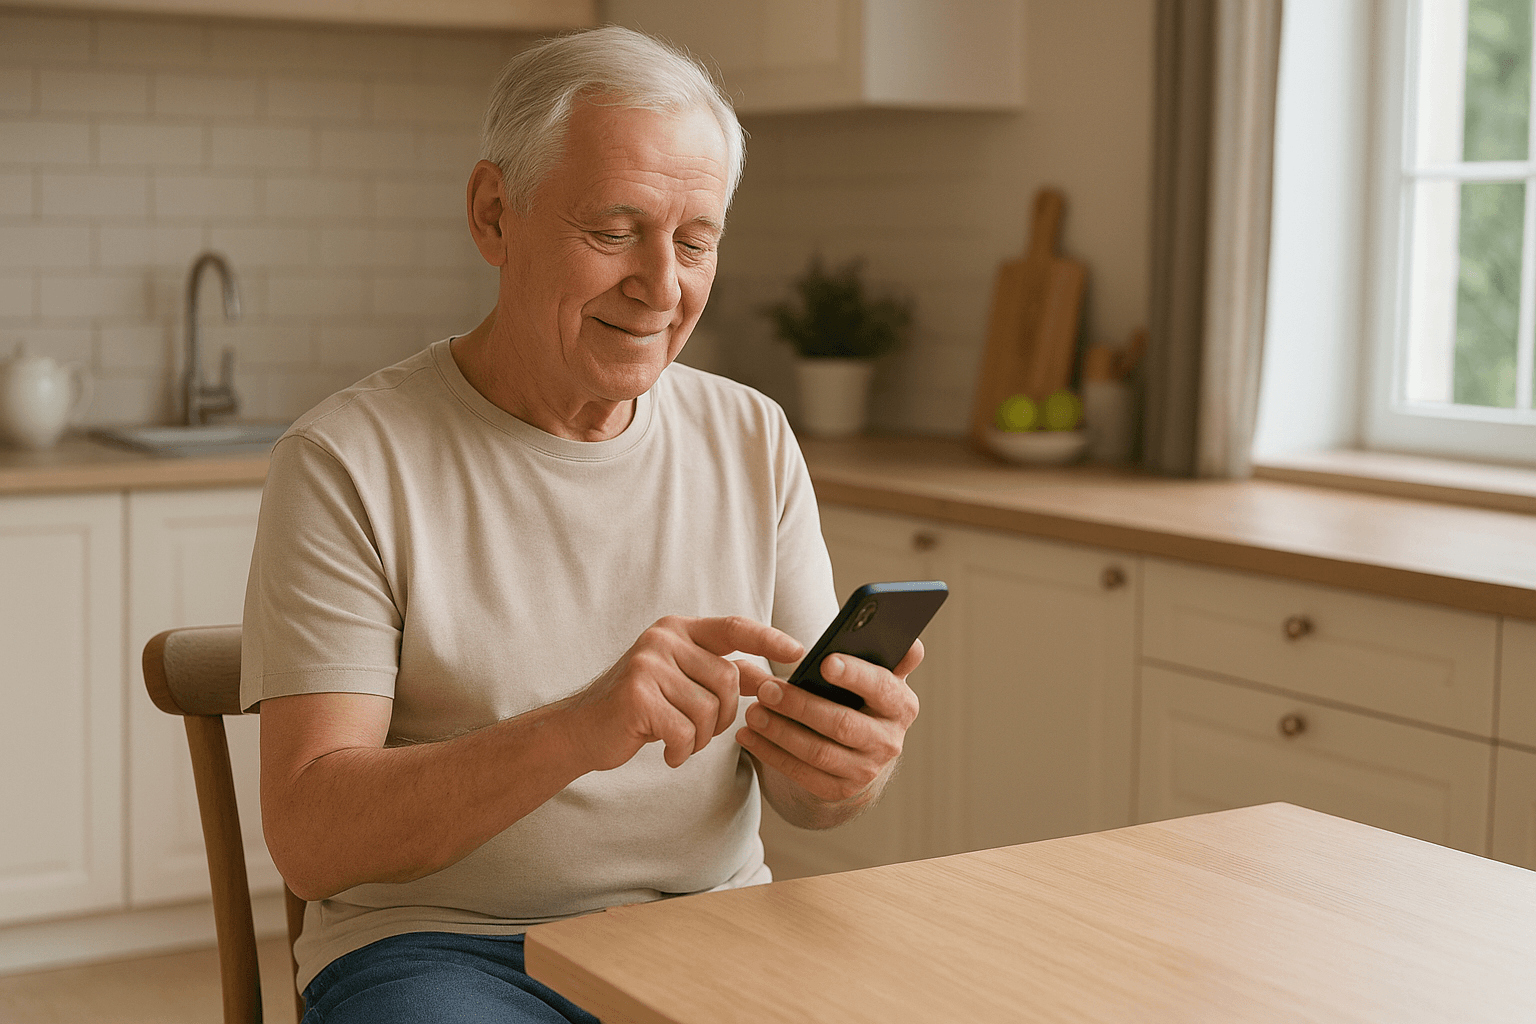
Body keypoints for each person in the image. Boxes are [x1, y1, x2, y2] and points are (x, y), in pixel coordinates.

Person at [241, 25, 922, 1024]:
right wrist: (579, 728)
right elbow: (311, 833)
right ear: (493, 214)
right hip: (440, 947)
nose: (662, 286)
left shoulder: (756, 438)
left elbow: (806, 797)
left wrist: (843, 767)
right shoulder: (347, 460)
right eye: (614, 231)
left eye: (695, 242)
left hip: (706, 928)